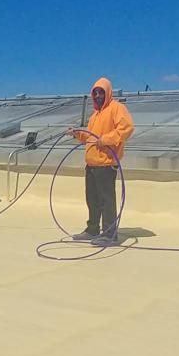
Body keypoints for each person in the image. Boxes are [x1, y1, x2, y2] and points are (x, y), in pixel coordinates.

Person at [71, 77, 133, 242]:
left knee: (106, 201)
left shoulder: (116, 108)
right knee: (92, 200)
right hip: (91, 165)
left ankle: (109, 234)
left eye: (101, 92)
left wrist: (106, 139)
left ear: (108, 93)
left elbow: (126, 128)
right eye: (95, 93)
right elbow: (90, 138)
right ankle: (92, 229)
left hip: (106, 164)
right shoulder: (95, 115)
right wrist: (77, 133)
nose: (98, 95)